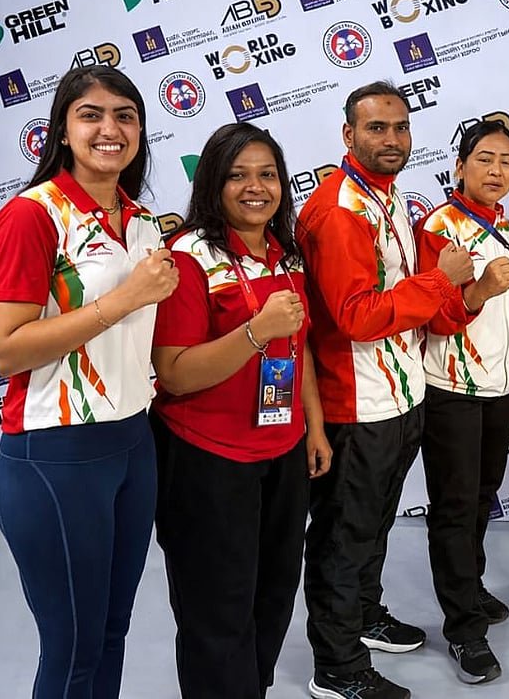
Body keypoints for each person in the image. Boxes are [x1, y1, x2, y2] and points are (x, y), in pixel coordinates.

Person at [0, 65, 179, 698]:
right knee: (70, 649)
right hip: (56, 453)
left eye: (125, 115)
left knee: (111, 632)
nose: (109, 129)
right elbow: (5, 352)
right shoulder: (31, 217)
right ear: (63, 129)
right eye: (90, 114)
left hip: (132, 445)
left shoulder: (143, 222)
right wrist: (124, 299)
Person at [297, 81, 475, 699]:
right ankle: (337, 667)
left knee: (371, 527)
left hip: (400, 395)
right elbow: (356, 316)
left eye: (400, 127)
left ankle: (364, 619)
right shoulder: (339, 209)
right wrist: (439, 280)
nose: (391, 140)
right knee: (343, 538)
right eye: (376, 129)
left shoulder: (389, 199)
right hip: (356, 402)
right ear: (348, 135)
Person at [148, 123, 332, 699]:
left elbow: (296, 348)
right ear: (213, 183)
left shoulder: (286, 253)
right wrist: (255, 330)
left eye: (268, 174)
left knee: (273, 598)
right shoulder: (189, 256)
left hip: (281, 452)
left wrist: (314, 426)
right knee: (216, 613)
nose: (256, 187)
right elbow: (174, 372)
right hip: (207, 460)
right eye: (238, 175)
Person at [415, 120, 509, 684]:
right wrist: (481, 288)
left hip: (500, 388)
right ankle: (463, 629)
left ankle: (471, 585)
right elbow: (433, 313)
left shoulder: (502, 223)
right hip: (454, 390)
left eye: (506, 161)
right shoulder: (439, 227)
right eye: (484, 159)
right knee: (456, 506)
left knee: (483, 495)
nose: (496, 171)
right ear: (459, 166)